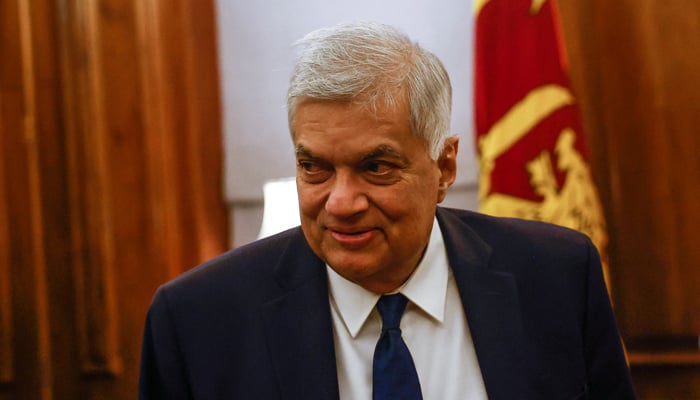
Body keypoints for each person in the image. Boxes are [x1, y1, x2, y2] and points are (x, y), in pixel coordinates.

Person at [138, 22, 635, 399]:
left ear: (444, 168)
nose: (341, 203)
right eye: (315, 168)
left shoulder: (557, 278)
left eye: (376, 166)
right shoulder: (197, 322)